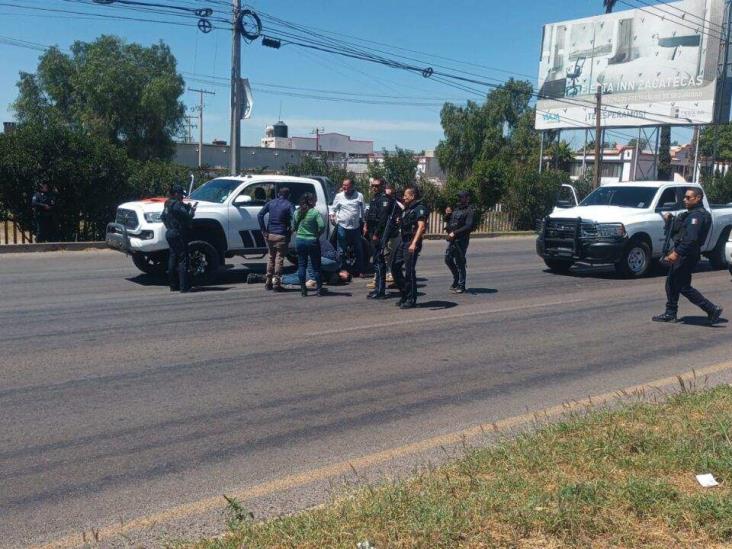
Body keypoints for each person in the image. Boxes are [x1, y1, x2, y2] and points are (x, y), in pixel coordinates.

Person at [652, 187, 723, 325]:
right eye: (684, 197)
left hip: (686, 254)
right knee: (673, 283)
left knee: (682, 285)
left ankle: (711, 309)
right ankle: (671, 312)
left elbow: (691, 239)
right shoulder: (691, 214)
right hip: (686, 253)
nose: (685, 200)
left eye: (688, 197)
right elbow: (680, 232)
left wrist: (676, 253)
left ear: (698, 198)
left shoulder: (697, 216)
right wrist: (670, 221)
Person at [392, 187, 429, 309]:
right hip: (403, 241)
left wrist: (414, 243)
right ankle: (405, 294)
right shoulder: (407, 209)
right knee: (395, 267)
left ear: (412, 196)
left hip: (411, 242)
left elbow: (421, 227)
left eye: (406, 195)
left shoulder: (420, 208)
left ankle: (411, 298)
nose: (403, 197)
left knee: (409, 271)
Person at [363, 178, 398, 299]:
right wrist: (366, 226)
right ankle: (378, 288)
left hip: (379, 234)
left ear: (383, 186)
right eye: (373, 185)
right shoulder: (374, 198)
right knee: (377, 261)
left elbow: (383, 219)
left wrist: (376, 234)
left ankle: (380, 290)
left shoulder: (385, 200)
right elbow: (369, 215)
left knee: (379, 261)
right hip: (372, 232)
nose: (374, 188)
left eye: (377, 186)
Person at [161, 183, 196, 292]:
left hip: (170, 233)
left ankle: (173, 285)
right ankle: (184, 287)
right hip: (178, 234)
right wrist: (192, 211)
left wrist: (170, 227)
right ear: (176, 194)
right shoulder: (177, 205)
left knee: (173, 257)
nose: (182, 197)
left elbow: (163, 217)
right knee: (182, 259)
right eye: (181, 194)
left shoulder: (167, 203)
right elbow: (187, 216)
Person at [258, 187, 295, 291]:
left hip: (270, 234)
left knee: (271, 257)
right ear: (289, 195)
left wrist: (264, 230)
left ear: (278, 194)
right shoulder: (289, 204)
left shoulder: (271, 203)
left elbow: (260, 215)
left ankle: (268, 281)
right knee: (279, 259)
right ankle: (276, 283)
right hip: (282, 235)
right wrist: (292, 230)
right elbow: (295, 217)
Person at [331, 178, 365, 277]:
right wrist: (332, 216)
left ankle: (360, 269)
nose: (344, 187)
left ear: (352, 186)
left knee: (358, 249)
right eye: (343, 185)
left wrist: (364, 223)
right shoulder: (339, 196)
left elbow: (362, 211)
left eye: (347, 185)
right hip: (342, 226)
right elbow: (333, 209)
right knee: (341, 250)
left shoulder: (359, 196)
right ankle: (343, 269)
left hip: (355, 227)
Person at [293, 193, 326, 296]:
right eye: (315, 200)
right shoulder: (315, 213)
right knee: (316, 266)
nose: (315, 202)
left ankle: (303, 290)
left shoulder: (297, 212)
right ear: (311, 201)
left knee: (302, 265)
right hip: (312, 240)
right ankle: (319, 289)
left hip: (300, 240)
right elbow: (322, 226)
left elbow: (294, 226)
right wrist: (317, 234)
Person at [444, 191, 476, 293]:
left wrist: (455, 233)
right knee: (448, 259)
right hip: (453, 239)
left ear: (467, 199)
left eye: (462, 197)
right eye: (459, 197)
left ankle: (461, 285)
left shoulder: (469, 211)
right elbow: (449, 222)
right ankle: (456, 278)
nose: (460, 199)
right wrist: (448, 215)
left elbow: (468, 226)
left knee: (460, 262)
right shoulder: (456, 209)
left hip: (461, 240)